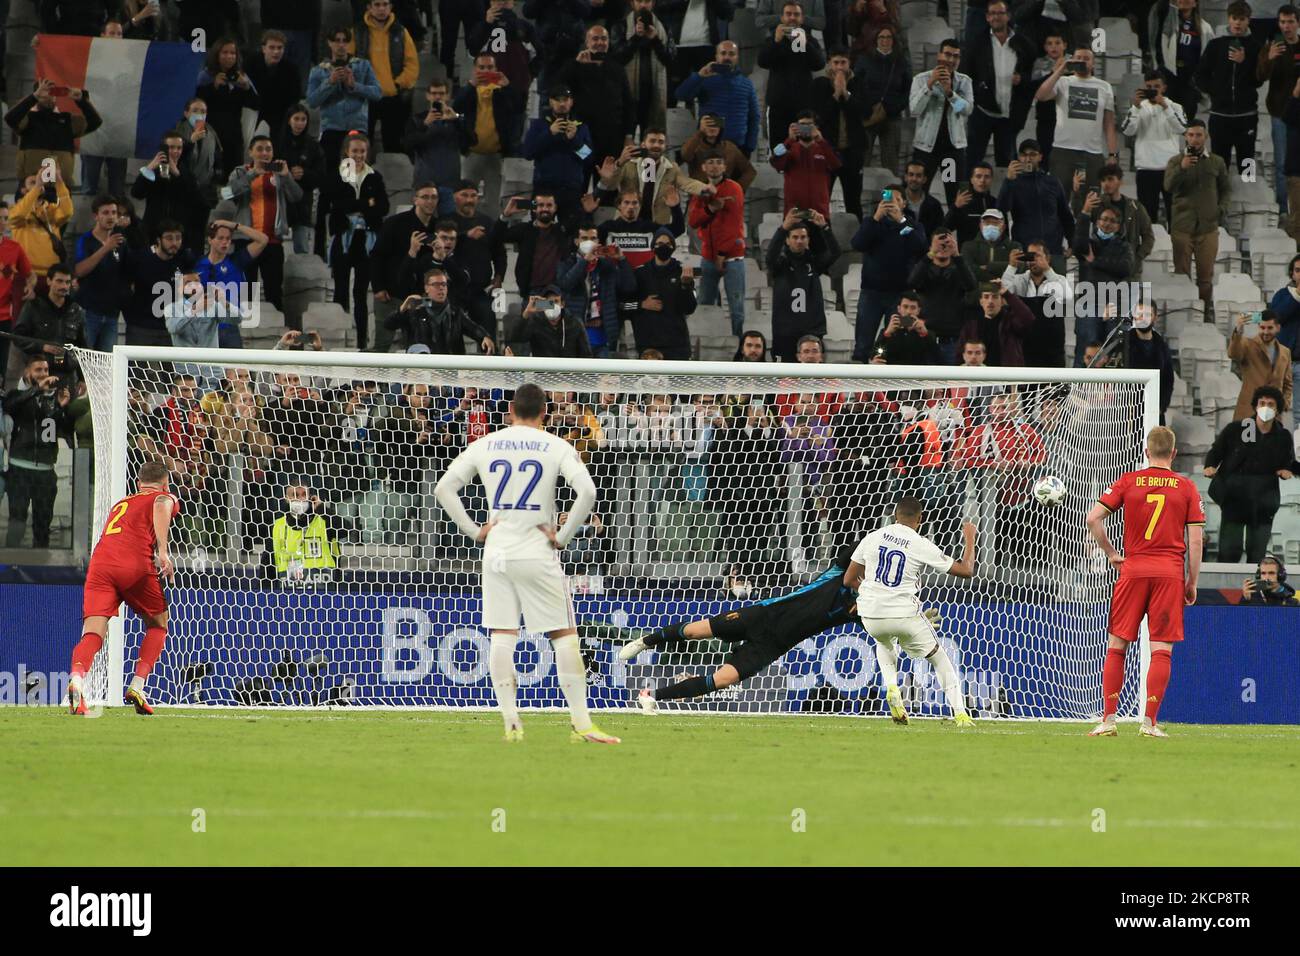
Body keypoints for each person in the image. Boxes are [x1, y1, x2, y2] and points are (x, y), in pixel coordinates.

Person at [433, 383, 615, 743]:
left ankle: (511, 723)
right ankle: (581, 724)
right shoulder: (555, 444)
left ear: (510, 412)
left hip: (497, 552)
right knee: (564, 637)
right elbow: (589, 492)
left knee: (502, 635)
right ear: (545, 413)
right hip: (536, 550)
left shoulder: (485, 443)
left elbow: (443, 489)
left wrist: (474, 531)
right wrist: (562, 537)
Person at [619, 544, 863, 710]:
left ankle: (650, 697)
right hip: (762, 615)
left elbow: (880, 623)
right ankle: (645, 641)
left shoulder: (862, 610)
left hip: (774, 644)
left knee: (722, 680)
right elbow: (860, 547)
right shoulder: (838, 572)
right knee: (695, 631)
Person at [1085, 426, 1204, 738]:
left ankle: (1108, 719)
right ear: (1174, 454)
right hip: (1168, 574)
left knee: (1117, 644)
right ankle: (1149, 722)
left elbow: (1093, 518)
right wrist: (1191, 581)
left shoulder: (1129, 481)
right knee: (1161, 648)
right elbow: (1196, 539)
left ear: (1146, 452)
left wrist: (1112, 553)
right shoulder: (1186, 486)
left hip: (1133, 569)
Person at [847, 497, 979, 725]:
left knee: (884, 641)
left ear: (894, 516)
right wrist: (970, 538)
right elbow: (966, 571)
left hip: (871, 614)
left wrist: (870, 594)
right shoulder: (919, 543)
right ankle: (961, 714)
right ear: (920, 519)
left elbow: (849, 579)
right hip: (904, 614)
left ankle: (891, 688)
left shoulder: (873, 537)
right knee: (939, 658)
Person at [66, 461, 177, 715]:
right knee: (159, 623)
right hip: (133, 563)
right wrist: (162, 552)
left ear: (139, 484)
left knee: (93, 632)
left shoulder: (122, 503)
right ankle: (137, 685)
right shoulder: (162, 496)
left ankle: (77, 679)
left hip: (100, 565)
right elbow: (162, 505)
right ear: (164, 483)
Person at [307, 27, 383, 257]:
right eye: (336, 40)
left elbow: (377, 93)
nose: (341, 45)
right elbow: (312, 100)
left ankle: (360, 245)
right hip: (331, 133)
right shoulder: (319, 71)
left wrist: (353, 86)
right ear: (329, 43)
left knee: (358, 187)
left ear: (350, 45)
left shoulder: (363, 66)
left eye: (344, 41)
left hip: (356, 133)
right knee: (327, 190)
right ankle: (320, 248)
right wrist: (330, 82)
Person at [1204, 386, 1299, 562]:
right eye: (1262, 403)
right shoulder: (1235, 429)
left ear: (1277, 409)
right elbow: (1216, 451)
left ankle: (1256, 589)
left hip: (1263, 501)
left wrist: (1289, 470)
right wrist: (1210, 466)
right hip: (1234, 498)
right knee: (1229, 551)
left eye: (1271, 404)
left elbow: (1288, 462)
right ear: (1255, 406)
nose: (1266, 407)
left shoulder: (1283, 436)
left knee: (1257, 553)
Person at [323, 132, 388, 349]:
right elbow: (336, 204)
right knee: (341, 287)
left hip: (366, 238)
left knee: (360, 291)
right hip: (343, 237)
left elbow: (382, 208)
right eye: (355, 151)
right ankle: (342, 338)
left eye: (362, 151)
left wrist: (357, 204)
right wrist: (365, 203)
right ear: (346, 152)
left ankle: (361, 341)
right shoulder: (336, 175)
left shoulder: (375, 176)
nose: (359, 155)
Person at [3, 353, 73, 549]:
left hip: (46, 471)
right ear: (27, 372)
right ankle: (9, 568)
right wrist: (36, 390)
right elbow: (10, 405)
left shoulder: (53, 398)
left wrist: (61, 408)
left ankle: (40, 572)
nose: (43, 374)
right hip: (19, 469)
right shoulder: (17, 395)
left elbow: (62, 432)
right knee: (17, 522)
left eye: (46, 370)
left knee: (43, 526)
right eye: (38, 370)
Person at [226, 135, 303, 314]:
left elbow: (296, 197)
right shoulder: (241, 171)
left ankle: (276, 332)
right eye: (259, 149)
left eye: (268, 149)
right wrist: (253, 174)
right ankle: (244, 330)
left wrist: (287, 177)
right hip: (246, 240)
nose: (264, 153)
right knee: (245, 290)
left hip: (273, 240)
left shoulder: (279, 174)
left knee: (274, 290)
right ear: (250, 152)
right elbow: (227, 194)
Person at [851, 187, 928, 360]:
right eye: (888, 199)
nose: (891, 203)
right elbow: (857, 244)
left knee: (892, 340)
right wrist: (876, 217)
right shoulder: (872, 223)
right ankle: (859, 381)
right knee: (864, 342)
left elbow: (921, 247)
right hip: (871, 293)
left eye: (896, 199)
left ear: (904, 203)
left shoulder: (911, 225)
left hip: (900, 295)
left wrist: (901, 221)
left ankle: (886, 379)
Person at [1164, 119, 1230, 310]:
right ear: (1185, 137)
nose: (1194, 139)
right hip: (1182, 227)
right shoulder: (1175, 161)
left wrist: (1221, 209)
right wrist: (1182, 168)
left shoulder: (1217, 162)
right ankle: (1184, 311)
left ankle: (1204, 312)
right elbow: (1168, 187)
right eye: (1191, 135)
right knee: (1181, 276)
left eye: (1198, 135)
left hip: (1208, 227)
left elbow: (1225, 189)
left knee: (1205, 278)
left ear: (1206, 137)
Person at [559, 23, 638, 182]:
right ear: (587, 42)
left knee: (607, 185)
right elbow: (559, 90)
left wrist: (629, 135)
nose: (600, 43)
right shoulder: (574, 66)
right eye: (595, 39)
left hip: (612, 140)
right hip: (583, 139)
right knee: (580, 179)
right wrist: (577, 65)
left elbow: (628, 104)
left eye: (604, 39)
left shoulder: (617, 68)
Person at [1035, 47, 1119, 195]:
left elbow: (1109, 124)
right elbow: (1041, 95)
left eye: (1086, 59)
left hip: (1092, 151)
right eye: (1078, 58)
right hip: (1063, 149)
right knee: (1058, 197)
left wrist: (1112, 155)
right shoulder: (1062, 82)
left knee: (1090, 199)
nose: (1082, 61)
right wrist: (1060, 70)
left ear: (1093, 64)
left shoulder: (1104, 87)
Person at [965, 0, 1036, 170]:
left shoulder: (1024, 44)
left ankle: (1005, 197)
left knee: (1007, 165)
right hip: (982, 112)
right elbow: (966, 75)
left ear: (1008, 16)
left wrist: (1022, 79)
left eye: (1000, 13)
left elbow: (1031, 78)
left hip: (1009, 116)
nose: (997, 17)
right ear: (987, 17)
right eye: (993, 13)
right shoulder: (976, 43)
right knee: (972, 162)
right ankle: (966, 196)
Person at [1197, 2, 1263, 178]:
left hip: (1246, 115)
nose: (1238, 23)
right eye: (1234, 18)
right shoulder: (1215, 45)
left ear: (1248, 20)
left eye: (1242, 19)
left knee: (1247, 160)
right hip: (1220, 115)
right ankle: (1220, 201)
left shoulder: (1255, 47)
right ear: (1228, 19)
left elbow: (1258, 80)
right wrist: (1215, 92)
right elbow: (1200, 75)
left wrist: (1245, 62)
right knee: (1219, 162)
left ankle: (1250, 195)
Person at [766, 209, 841, 361]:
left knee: (813, 377)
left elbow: (835, 253)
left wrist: (824, 228)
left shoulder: (814, 263)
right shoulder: (780, 264)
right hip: (785, 332)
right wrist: (783, 229)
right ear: (787, 240)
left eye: (803, 237)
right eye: (794, 237)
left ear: (808, 240)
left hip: (812, 330)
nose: (799, 241)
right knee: (784, 377)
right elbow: (770, 257)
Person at [908, 38, 973, 205]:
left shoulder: (964, 81)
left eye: (955, 56)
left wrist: (950, 92)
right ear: (939, 55)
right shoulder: (921, 79)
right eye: (947, 54)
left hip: (951, 151)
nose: (951, 60)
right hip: (926, 148)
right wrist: (930, 85)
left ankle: (949, 229)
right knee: (920, 193)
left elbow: (966, 110)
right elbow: (914, 110)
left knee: (952, 193)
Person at [596, 129, 706, 227]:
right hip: (627, 222)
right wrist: (619, 164)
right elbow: (610, 185)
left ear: (665, 146)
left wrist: (706, 188)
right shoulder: (628, 164)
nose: (657, 145)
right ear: (643, 144)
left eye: (661, 142)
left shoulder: (671, 168)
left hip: (657, 225)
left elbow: (687, 183)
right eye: (652, 141)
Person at [4, 78, 103, 186]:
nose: (48, 96)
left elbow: (95, 122)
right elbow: (10, 119)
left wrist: (81, 100)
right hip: (30, 186)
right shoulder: (27, 118)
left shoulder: (68, 120)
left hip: (61, 188)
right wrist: (33, 97)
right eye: (44, 91)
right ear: (37, 93)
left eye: (52, 92)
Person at [690, 151, 747, 336]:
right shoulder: (700, 191)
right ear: (703, 167)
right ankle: (706, 342)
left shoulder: (734, 189)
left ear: (724, 167)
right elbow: (693, 221)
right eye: (710, 162)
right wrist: (710, 208)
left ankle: (739, 348)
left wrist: (722, 253)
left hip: (732, 257)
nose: (714, 166)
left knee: (736, 307)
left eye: (718, 162)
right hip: (708, 256)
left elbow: (733, 225)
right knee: (705, 305)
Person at [1120, 72, 1187, 227]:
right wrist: (1135, 108)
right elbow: (1127, 131)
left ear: (1164, 87)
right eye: (1148, 87)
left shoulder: (1175, 107)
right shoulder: (1138, 107)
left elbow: (1182, 129)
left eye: (1156, 86)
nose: (1152, 89)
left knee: (1175, 215)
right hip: (1146, 167)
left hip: (1171, 169)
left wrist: (1165, 107)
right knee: (1147, 217)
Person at [558, 223, 637, 356]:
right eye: (584, 238)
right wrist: (584, 261)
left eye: (593, 238)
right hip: (576, 332)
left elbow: (629, 288)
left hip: (603, 334)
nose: (589, 242)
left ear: (598, 242)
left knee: (603, 375)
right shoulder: (566, 263)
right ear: (577, 242)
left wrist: (622, 259)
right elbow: (566, 284)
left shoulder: (607, 266)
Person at [352, 0, 420, 153]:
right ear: (369, 7)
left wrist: (397, 84)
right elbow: (349, 61)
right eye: (377, 5)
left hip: (392, 97)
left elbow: (412, 65)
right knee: (361, 146)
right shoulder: (357, 32)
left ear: (391, 7)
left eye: (385, 4)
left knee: (394, 145)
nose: (381, 9)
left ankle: (394, 176)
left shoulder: (401, 32)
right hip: (365, 98)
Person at [674, 41, 762, 157]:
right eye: (723, 53)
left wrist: (749, 146)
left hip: (738, 148)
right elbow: (681, 95)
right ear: (716, 56)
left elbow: (754, 117)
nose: (727, 57)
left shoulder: (747, 84)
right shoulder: (705, 79)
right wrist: (699, 76)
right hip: (708, 146)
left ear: (737, 57)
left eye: (731, 54)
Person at [758, 3, 827, 145]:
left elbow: (819, 64)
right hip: (778, 107)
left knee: (804, 147)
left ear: (802, 19)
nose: (792, 18)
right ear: (782, 18)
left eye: (796, 14)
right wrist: (776, 41)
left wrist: (804, 43)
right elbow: (763, 62)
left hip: (803, 110)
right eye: (788, 14)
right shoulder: (773, 40)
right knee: (779, 150)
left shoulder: (810, 40)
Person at [522, 85, 595, 219]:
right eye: (558, 100)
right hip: (543, 188)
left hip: (571, 189)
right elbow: (528, 153)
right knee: (538, 226)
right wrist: (549, 133)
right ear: (550, 102)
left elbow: (589, 159)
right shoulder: (539, 125)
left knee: (571, 230)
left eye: (565, 100)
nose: (562, 104)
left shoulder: (581, 127)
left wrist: (575, 140)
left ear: (571, 102)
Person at [194, 219, 269, 349]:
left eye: (228, 239)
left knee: (236, 369)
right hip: (204, 329)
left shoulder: (236, 261)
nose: (225, 242)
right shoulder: (197, 265)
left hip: (229, 328)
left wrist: (234, 225)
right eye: (220, 238)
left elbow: (263, 240)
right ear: (210, 240)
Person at [811, 49, 867, 220]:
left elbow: (864, 112)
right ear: (829, 64)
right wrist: (836, 95)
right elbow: (819, 117)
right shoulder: (819, 84)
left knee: (854, 201)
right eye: (836, 63)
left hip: (853, 152)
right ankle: (821, 239)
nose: (840, 67)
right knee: (822, 199)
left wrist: (847, 95)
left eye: (843, 62)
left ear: (849, 63)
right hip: (828, 151)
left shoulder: (859, 83)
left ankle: (857, 241)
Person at [907, 229, 977, 365]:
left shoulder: (959, 270)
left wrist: (957, 254)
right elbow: (912, 282)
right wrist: (931, 254)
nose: (943, 247)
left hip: (952, 339)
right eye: (939, 243)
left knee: (950, 384)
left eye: (947, 243)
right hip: (925, 336)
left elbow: (971, 285)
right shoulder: (924, 269)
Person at [195, 39, 260, 180]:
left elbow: (255, 104)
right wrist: (214, 86)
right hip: (211, 133)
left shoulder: (241, 76)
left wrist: (246, 87)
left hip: (234, 134)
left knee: (234, 174)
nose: (229, 56)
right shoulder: (205, 76)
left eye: (233, 53)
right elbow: (196, 104)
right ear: (217, 55)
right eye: (225, 52)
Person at [1257, 5, 1300, 213]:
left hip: (1299, 114)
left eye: (1290, 22)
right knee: (1282, 164)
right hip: (1280, 114)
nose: (1286, 26)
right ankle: (1284, 210)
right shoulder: (1271, 47)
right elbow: (1259, 77)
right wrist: (1269, 59)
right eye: (1282, 22)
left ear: (1298, 23)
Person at [997, 138, 1074, 255]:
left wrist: (1072, 243)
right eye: (1024, 155)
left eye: (1033, 154)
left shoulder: (1052, 182)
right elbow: (1001, 211)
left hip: (1052, 248)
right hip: (1024, 248)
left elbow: (1065, 215)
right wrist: (1008, 181)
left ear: (1040, 157)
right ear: (1018, 157)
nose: (1028, 159)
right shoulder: (1013, 182)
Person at [1000, 239, 1069, 367]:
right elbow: (1003, 293)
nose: (1034, 260)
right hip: (1026, 344)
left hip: (1052, 345)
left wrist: (1047, 269)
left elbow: (1066, 296)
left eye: (1038, 256)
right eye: (1030, 256)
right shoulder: (1019, 280)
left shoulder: (1058, 279)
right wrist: (1011, 266)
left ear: (1047, 258)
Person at [854, 23, 911, 173]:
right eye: (881, 37)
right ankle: (861, 194)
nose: (885, 41)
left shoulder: (902, 62)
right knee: (862, 161)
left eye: (888, 37)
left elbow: (907, 91)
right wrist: (866, 108)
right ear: (875, 40)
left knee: (890, 165)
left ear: (893, 40)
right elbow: (855, 87)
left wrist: (892, 108)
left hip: (892, 117)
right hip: (867, 115)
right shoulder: (864, 60)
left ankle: (888, 195)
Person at [631, 228, 697, 360]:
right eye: (660, 243)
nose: (664, 247)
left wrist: (685, 285)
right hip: (648, 346)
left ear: (673, 248)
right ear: (653, 247)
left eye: (668, 244)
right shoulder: (640, 274)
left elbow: (689, 308)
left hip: (677, 346)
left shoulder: (682, 272)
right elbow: (621, 305)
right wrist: (641, 304)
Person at [13, 263, 85, 382]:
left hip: (67, 375)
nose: (64, 286)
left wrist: (82, 379)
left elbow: (82, 346)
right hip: (38, 373)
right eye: (59, 281)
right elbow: (18, 337)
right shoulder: (33, 307)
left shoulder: (76, 310)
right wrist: (42, 347)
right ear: (48, 281)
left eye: (67, 282)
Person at [71, 196, 125, 352]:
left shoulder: (120, 241)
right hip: (89, 311)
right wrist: (105, 248)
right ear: (96, 216)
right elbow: (79, 270)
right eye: (106, 212)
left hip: (112, 314)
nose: (111, 217)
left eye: (114, 213)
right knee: (85, 361)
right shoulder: (85, 241)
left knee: (107, 365)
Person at [1147, 0, 1217, 121]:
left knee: (1187, 123)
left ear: (1195, 3)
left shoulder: (1205, 28)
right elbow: (1158, 8)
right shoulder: (1166, 22)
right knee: (1165, 120)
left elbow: (1210, 57)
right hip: (1168, 77)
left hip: (1190, 81)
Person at [404, 76, 469, 202]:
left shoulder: (457, 120)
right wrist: (425, 124)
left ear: (448, 96)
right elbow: (408, 145)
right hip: (424, 183)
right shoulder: (416, 119)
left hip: (450, 183)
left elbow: (470, 142)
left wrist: (456, 120)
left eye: (441, 93)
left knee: (448, 220)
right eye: (434, 93)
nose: (437, 97)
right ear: (427, 96)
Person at [273, 104, 327, 255]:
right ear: (289, 120)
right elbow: (267, 167)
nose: (300, 123)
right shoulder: (277, 143)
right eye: (296, 119)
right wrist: (286, 173)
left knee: (302, 247)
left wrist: (305, 174)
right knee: (273, 245)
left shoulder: (313, 146)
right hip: (279, 201)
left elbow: (321, 175)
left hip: (303, 203)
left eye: (303, 119)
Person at [771, 111, 842, 219]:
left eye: (809, 125)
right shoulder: (789, 148)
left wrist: (821, 140)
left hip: (819, 213)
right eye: (802, 125)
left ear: (816, 127)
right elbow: (777, 164)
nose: (805, 128)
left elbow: (836, 165)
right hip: (794, 213)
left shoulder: (824, 148)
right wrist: (789, 140)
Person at [501, 191, 572, 297]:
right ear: (534, 208)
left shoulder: (562, 231)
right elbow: (497, 237)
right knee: (537, 311)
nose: (545, 209)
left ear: (555, 208)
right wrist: (505, 215)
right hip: (531, 293)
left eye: (549, 205)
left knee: (550, 310)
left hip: (556, 292)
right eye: (541, 205)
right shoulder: (524, 230)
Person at [270, 481, 340, 586]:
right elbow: (269, 560)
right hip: (289, 591)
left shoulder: (324, 520)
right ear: (286, 498)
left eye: (304, 495)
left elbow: (345, 529)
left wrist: (322, 509)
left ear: (311, 497)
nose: (300, 499)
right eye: (295, 495)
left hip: (323, 591)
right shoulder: (278, 525)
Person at [1229, 310, 1293, 420]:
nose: (1266, 332)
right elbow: (1233, 354)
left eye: (1270, 328)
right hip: (1248, 413)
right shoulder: (1247, 344)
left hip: (1274, 416)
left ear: (1278, 328)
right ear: (1258, 327)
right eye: (1262, 328)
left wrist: (1283, 404)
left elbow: (1287, 383)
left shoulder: (1285, 352)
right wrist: (1239, 331)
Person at [1120, 301, 1176, 424]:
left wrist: (1161, 407)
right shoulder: (1122, 343)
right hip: (1127, 414)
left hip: (1154, 412)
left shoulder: (1162, 346)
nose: (1142, 318)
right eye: (1139, 314)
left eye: (1147, 314)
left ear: (1155, 317)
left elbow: (1168, 380)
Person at [958, 281, 1035, 366]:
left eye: (995, 297)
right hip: (978, 375)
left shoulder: (1011, 322)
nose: (990, 301)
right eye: (986, 297)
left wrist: (1007, 294)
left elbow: (1028, 318)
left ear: (1002, 301)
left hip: (1006, 375)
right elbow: (960, 354)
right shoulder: (971, 326)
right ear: (981, 301)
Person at [245, 29, 303, 134]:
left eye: (279, 48)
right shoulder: (250, 64)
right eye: (272, 47)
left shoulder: (291, 70)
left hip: (280, 116)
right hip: (254, 112)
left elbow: (295, 97)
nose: (276, 52)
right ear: (263, 48)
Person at [516, 287, 594, 358]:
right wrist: (526, 313)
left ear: (562, 304)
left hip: (568, 372)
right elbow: (518, 338)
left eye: (556, 301)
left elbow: (586, 354)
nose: (553, 306)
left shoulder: (574, 323)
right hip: (543, 372)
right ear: (543, 305)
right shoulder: (535, 322)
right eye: (549, 303)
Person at [945, 162, 998, 244]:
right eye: (978, 176)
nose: (982, 180)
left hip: (991, 253)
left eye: (987, 177)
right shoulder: (963, 203)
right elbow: (946, 228)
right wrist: (955, 207)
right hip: (966, 253)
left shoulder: (996, 203)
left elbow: (1005, 235)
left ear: (991, 180)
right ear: (972, 180)